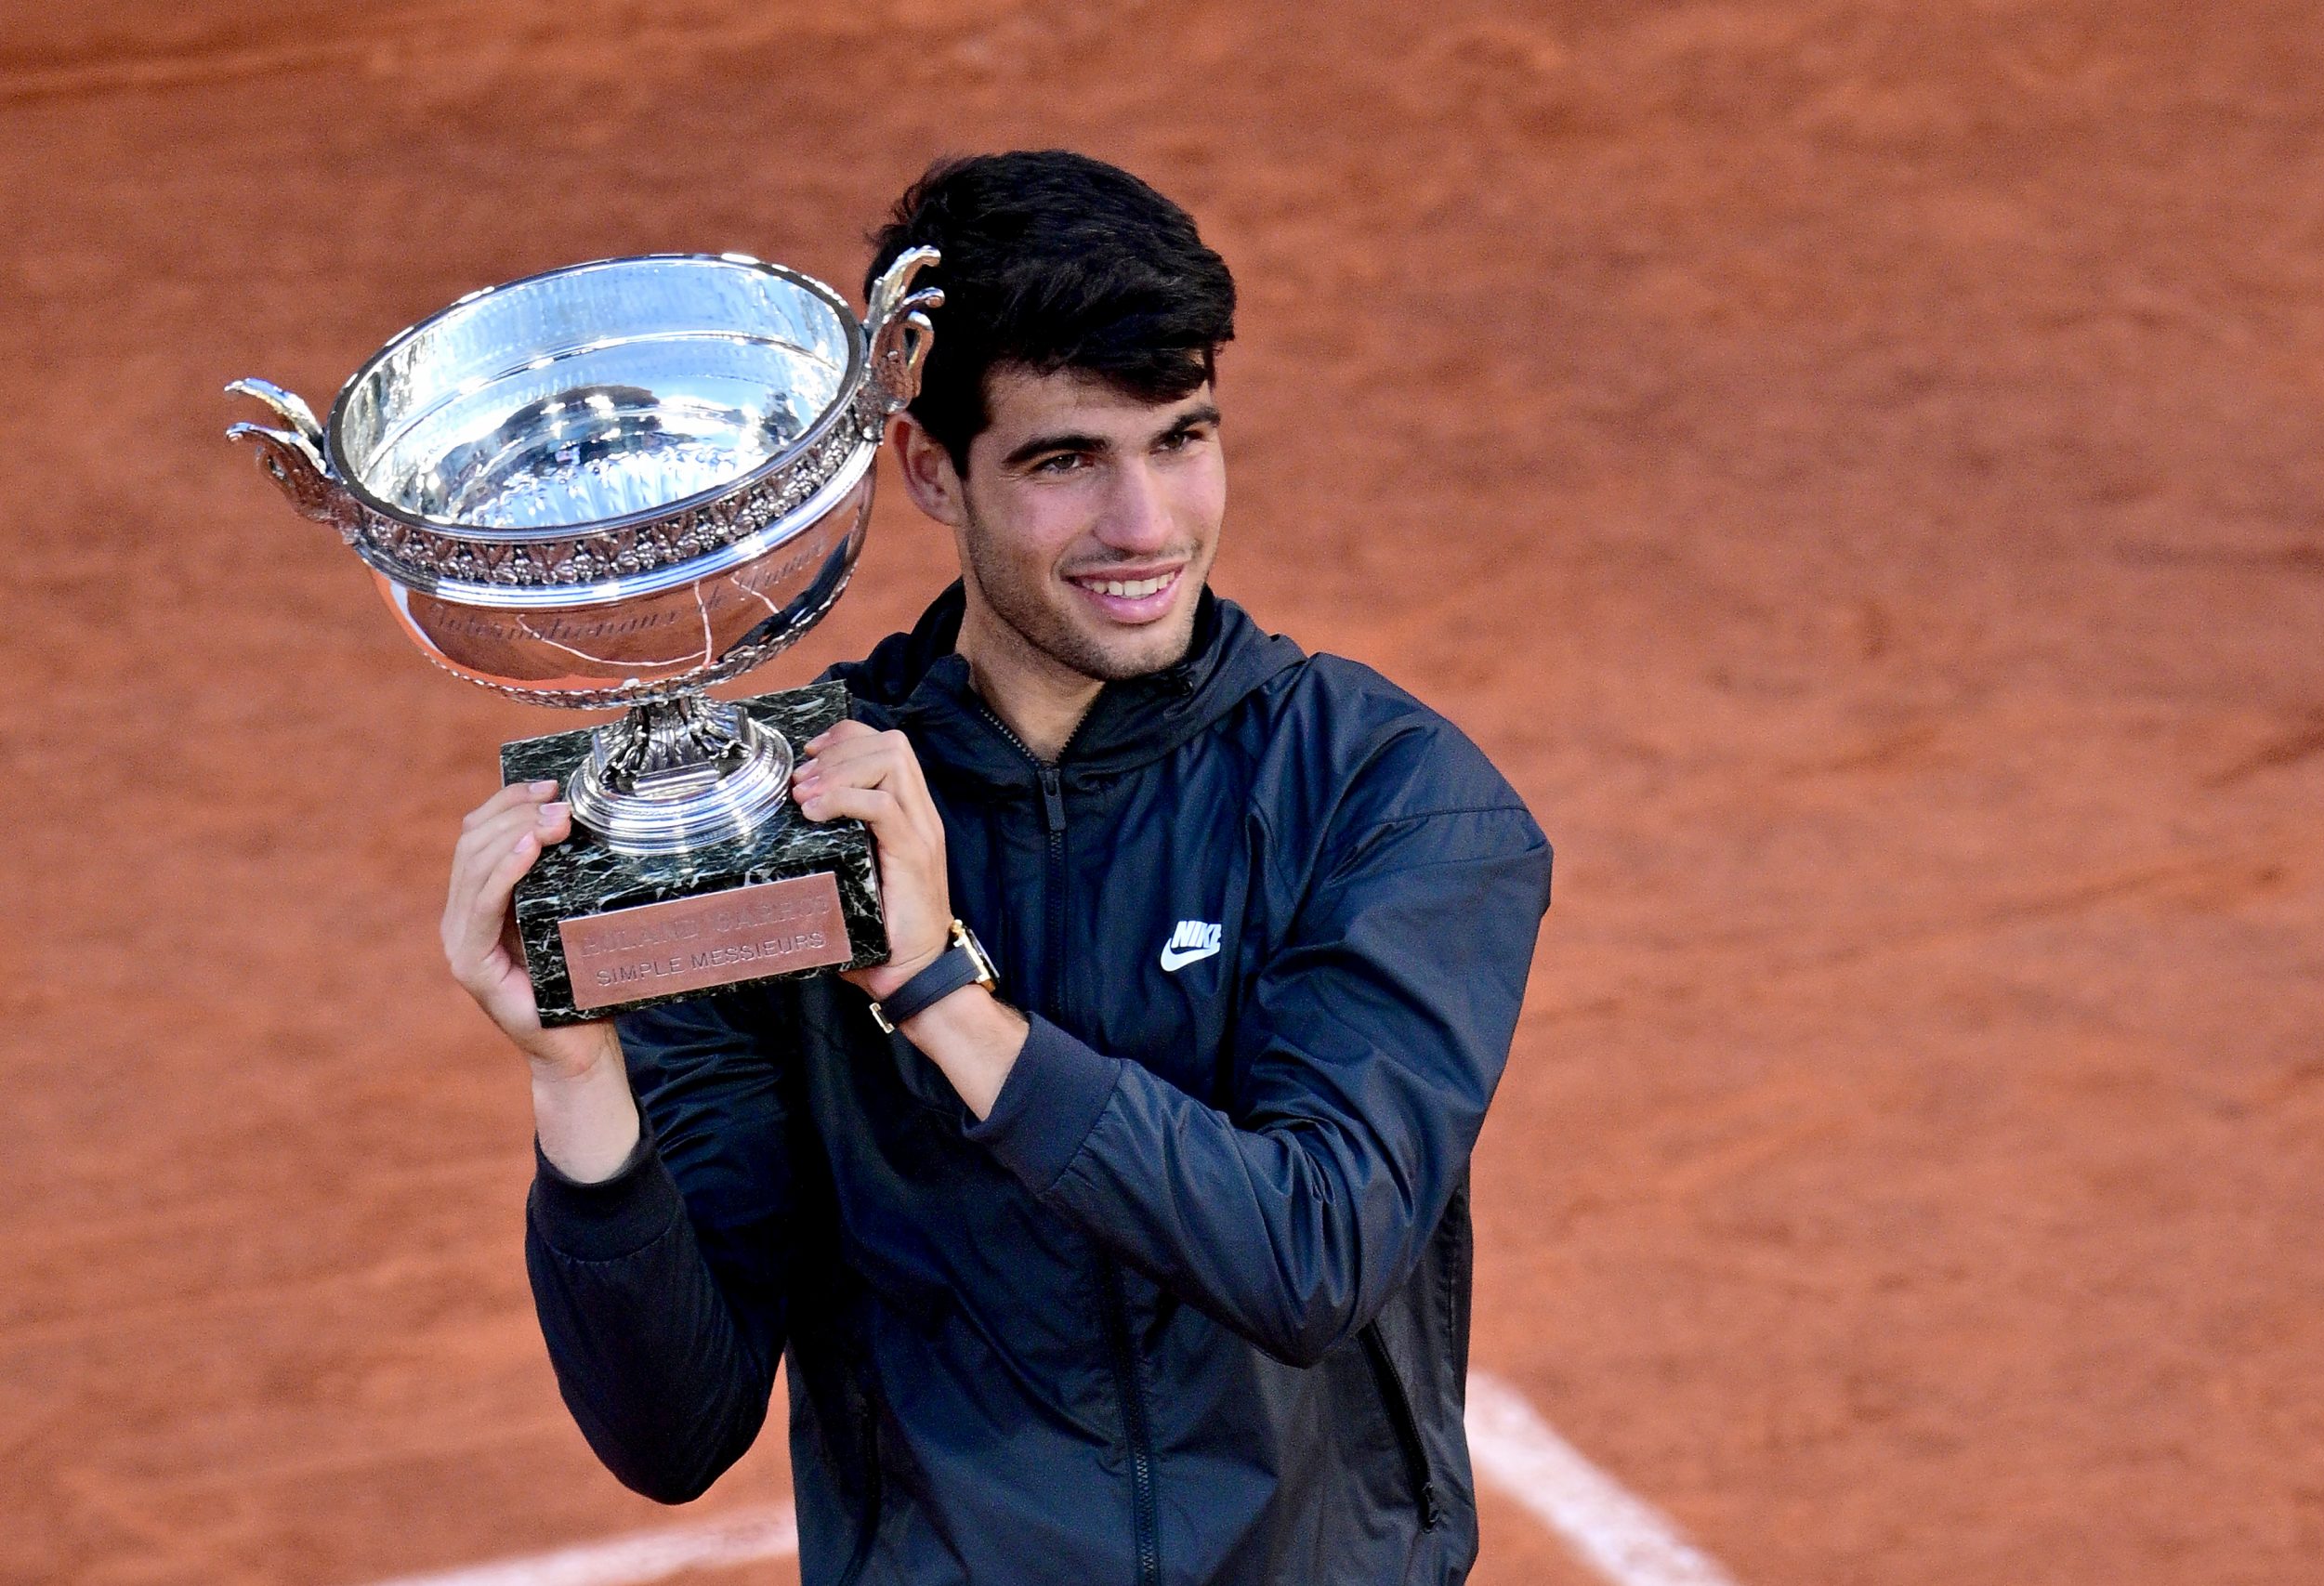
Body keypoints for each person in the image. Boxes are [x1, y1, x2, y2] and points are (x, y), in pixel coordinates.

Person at [442, 150, 1552, 1586]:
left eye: (1181, 439)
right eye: (1065, 460)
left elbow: (1313, 1251)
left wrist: (934, 990)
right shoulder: (778, 830)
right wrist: (573, 1074)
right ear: (928, 470)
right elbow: (675, 1429)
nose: (1146, 525)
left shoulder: (1385, 797)